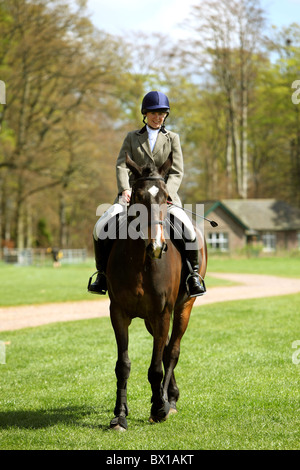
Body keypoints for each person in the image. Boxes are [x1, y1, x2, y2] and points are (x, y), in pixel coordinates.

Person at [88, 91, 205, 297]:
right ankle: (102, 275)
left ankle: (193, 275)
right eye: (153, 113)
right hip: (133, 197)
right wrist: (125, 188)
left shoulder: (173, 139)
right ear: (145, 114)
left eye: (162, 114)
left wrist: (167, 193)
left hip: (164, 198)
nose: (158, 117)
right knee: (100, 227)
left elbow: (177, 171)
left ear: (166, 116)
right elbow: (121, 165)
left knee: (189, 230)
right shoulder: (132, 137)